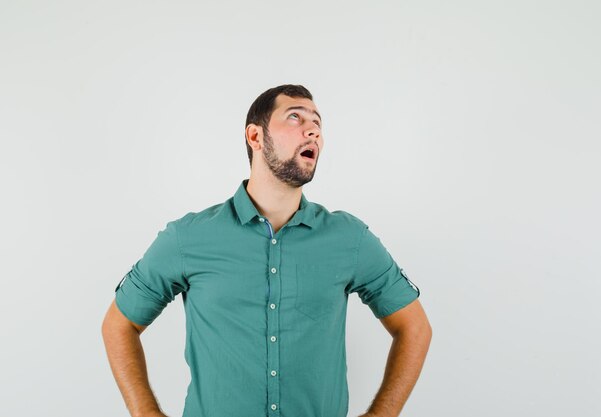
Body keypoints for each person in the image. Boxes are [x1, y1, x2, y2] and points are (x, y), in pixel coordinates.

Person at [101, 84, 432, 417]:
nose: (313, 130)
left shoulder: (350, 238)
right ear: (255, 137)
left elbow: (414, 327)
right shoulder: (187, 238)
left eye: (317, 122)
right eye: (295, 117)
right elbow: (119, 324)